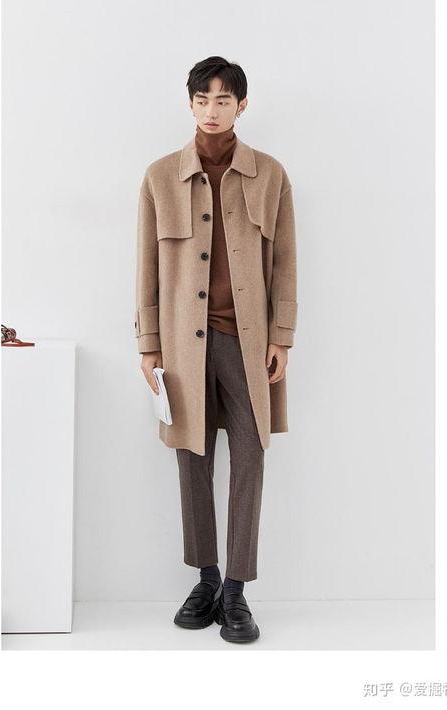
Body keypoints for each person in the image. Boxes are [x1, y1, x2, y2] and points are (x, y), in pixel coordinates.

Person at [135, 56, 298, 643]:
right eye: (202, 100)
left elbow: (285, 262)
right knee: (192, 457)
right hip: (182, 347)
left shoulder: (270, 175)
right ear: (190, 104)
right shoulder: (160, 177)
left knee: (251, 455)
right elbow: (147, 267)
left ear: (241, 106)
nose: (211, 110)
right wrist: (149, 344)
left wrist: (281, 336)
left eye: (223, 100)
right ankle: (205, 579)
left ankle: (236, 590)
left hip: (247, 345)